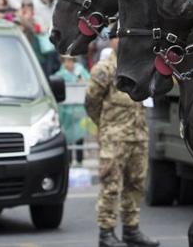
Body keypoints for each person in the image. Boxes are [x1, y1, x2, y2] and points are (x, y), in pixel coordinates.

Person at [85, 38, 159, 247]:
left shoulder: (140, 67)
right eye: (118, 36)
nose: (123, 41)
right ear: (111, 39)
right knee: (110, 186)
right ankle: (106, 233)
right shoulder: (105, 68)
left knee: (136, 185)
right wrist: (105, 126)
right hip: (114, 138)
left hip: (138, 135)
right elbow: (91, 101)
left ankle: (131, 230)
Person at [58, 55, 91, 166]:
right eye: (65, 60)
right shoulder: (61, 74)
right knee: (68, 136)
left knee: (80, 134)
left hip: (80, 108)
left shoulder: (80, 71)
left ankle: (80, 160)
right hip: (66, 110)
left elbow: (89, 82)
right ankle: (69, 162)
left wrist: (82, 80)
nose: (68, 63)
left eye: (70, 60)